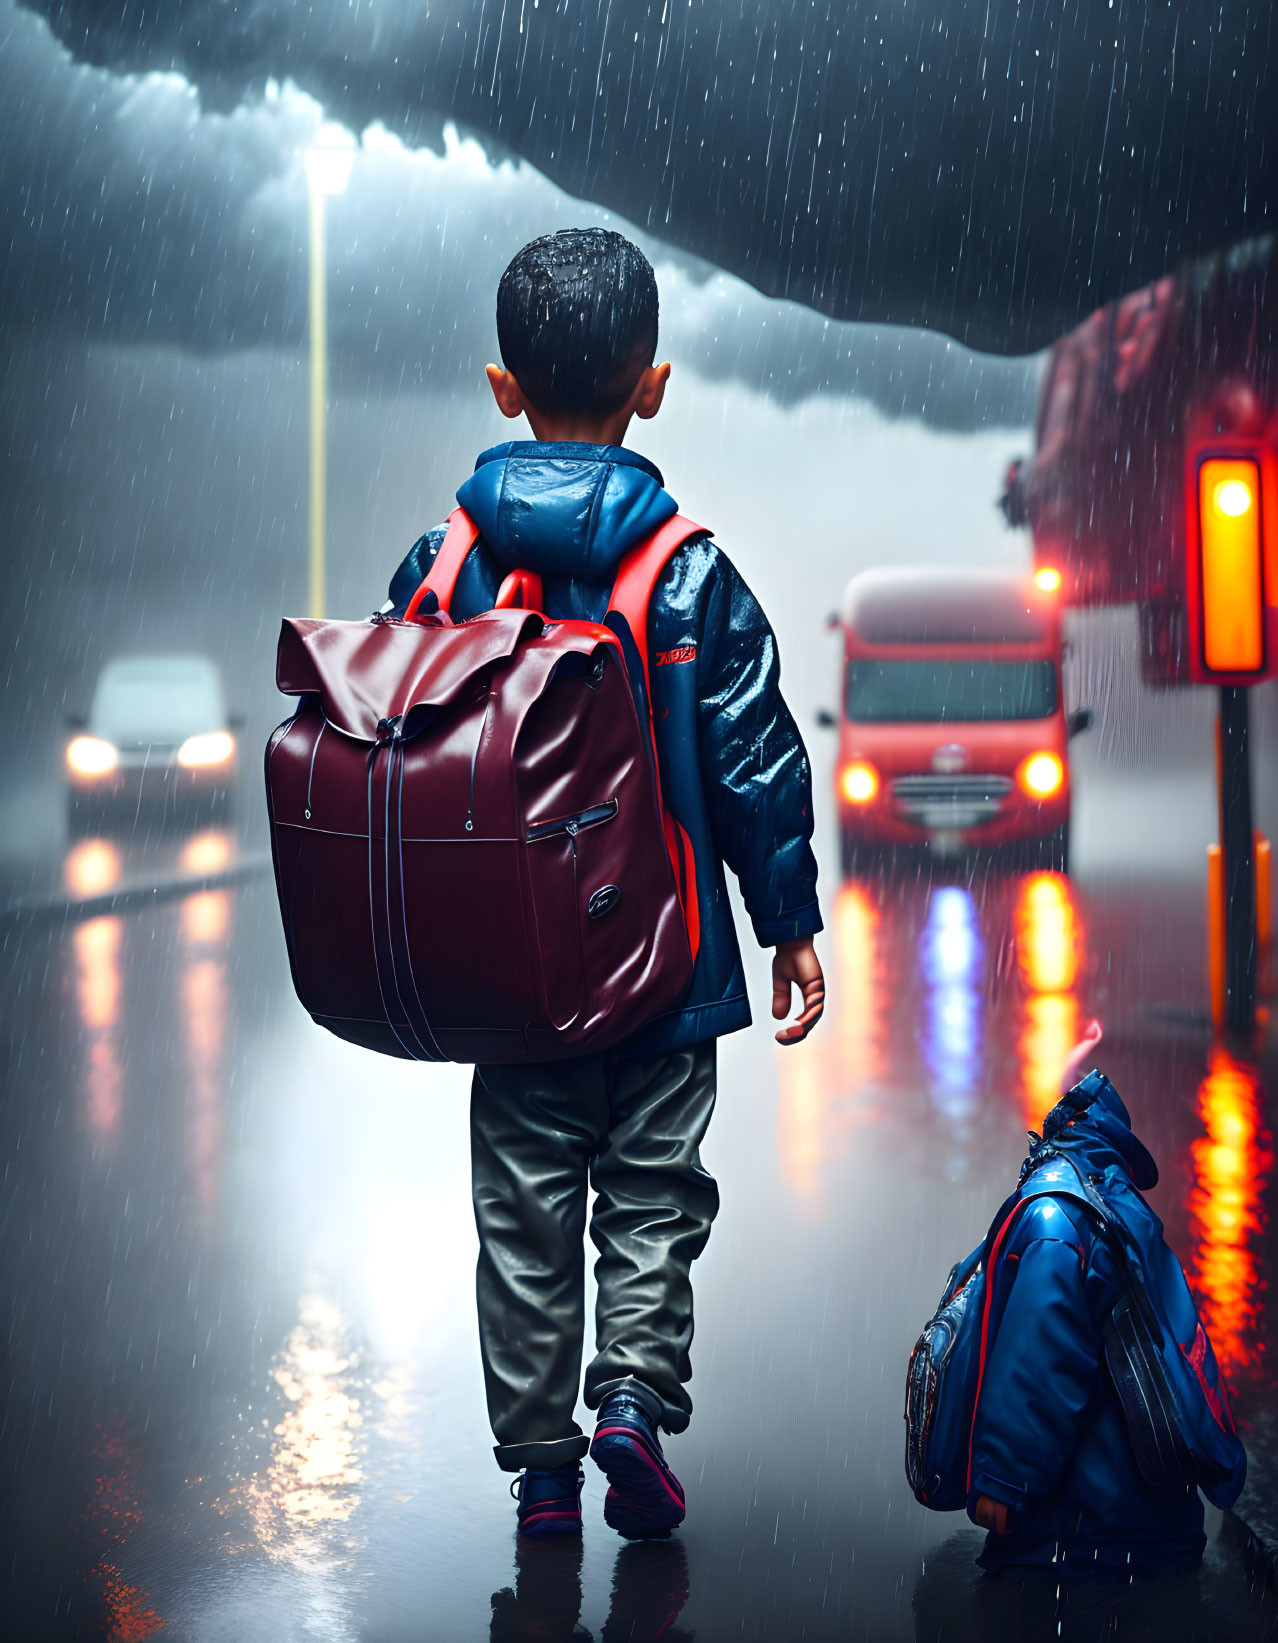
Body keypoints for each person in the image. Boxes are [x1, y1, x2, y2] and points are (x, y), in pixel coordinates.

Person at [383, 228, 825, 1540]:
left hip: (508, 975)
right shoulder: (687, 572)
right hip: (665, 966)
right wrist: (786, 920)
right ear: (655, 383)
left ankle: (539, 1472)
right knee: (651, 1193)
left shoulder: (443, 571)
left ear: (500, 386)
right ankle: (630, 1395)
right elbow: (752, 750)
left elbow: (395, 746)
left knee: (521, 1217)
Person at [967, 1074, 1208, 1577]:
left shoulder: (1058, 1219)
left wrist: (1004, 1481)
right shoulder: (1122, 1214)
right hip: (1152, 1518)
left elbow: (1043, 1355)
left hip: (1086, 1533)